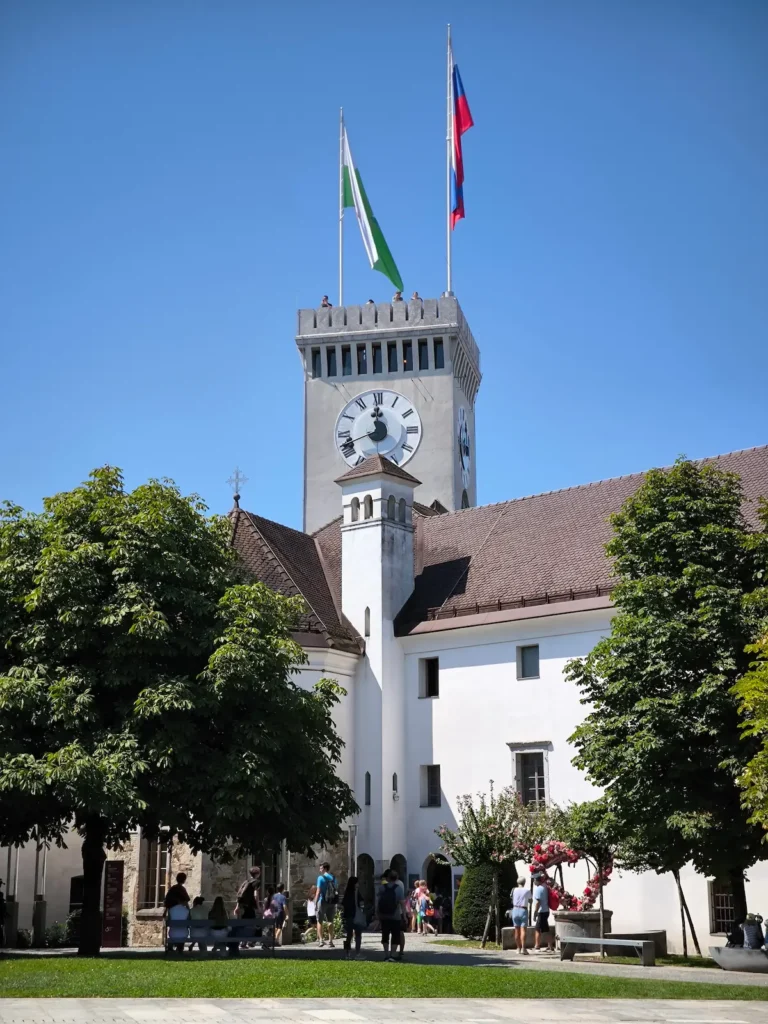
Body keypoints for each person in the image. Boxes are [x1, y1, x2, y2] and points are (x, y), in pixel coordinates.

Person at [376, 868, 406, 961]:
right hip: (395, 915)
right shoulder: (399, 888)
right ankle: (393, 954)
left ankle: (386, 954)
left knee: (385, 934)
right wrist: (404, 916)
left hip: (384, 915)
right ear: (396, 878)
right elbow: (402, 903)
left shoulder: (382, 888)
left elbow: (378, 901)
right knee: (395, 935)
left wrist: (377, 913)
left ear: (388, 878)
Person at [342, 876, 365, 960]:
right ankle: (357, 953)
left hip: (348, 916)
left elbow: (343, 903)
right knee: (358, 935)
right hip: (356, 915)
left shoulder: (347, 892)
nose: (358, 884)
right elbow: (361, 902)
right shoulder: (356, 892)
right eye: (357, 883)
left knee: (349, 935)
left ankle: (347, 953)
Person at [316, 861, 338, 948]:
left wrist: (315, 902)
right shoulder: (333, 878)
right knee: (330, 921)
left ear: (325, 868)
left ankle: (321, 940)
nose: (319, 869)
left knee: (319, 921)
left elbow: (318, 891)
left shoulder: (320, 878)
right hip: (332, 902)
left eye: (321, 868)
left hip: (322, 901)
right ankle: (330, 941)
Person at [533, 873, 554, 952]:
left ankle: (537, 945)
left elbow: (538, 902)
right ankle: (550, 945)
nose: (533, 882)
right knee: (546, 929)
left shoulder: (539, 889)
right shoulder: (545, 886)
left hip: (541, 911)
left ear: (536, 880)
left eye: (534, 880)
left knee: (537, 929)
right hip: (546, 910)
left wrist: (535, 912)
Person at [510, 877, 532, 954]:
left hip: (515, 909)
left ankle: (518, 948)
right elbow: (530, 900)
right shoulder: (527, 890)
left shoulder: (514, 890)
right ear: (524, 882)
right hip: (523, 909)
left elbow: (512, 898)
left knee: (516, 930)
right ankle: (523, 948)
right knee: (523, 930)